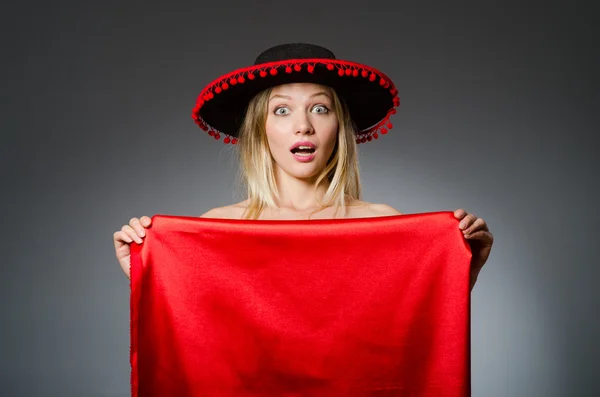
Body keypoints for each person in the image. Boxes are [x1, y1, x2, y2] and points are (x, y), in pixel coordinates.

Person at [113, 43, 494, 290]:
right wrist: (149, 276)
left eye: (320, 108)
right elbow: (198, 337)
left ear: (339, 127)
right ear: (260, 130)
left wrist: (465, 271)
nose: (303, 125)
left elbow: (413, 329)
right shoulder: (217, 229)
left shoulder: (384, 225)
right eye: (282, 110)